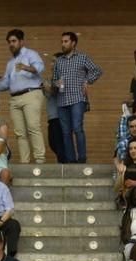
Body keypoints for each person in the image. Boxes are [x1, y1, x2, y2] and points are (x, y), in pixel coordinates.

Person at [51, 31, 102, 164]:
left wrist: (87, 81)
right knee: (66, 132)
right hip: (62, 100)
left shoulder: (83, 57)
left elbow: (97, 71)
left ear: (73, 43)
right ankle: (71, 160)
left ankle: (82, 159)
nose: (63, 44)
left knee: (78, 128)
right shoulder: (59, 61)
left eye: (66, 41)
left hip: (78, 98)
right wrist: (56, 83)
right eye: (62, 41)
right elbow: (54, 80)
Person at [0, 29, 45, 164]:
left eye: (14, 41)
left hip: (31, 94)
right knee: (20, 132)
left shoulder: (31, 54)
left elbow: (40, 68)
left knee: (33, 127)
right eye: (9, 42)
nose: (11, 44)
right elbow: (5, 84)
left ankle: (40, 160)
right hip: (14, 98)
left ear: (22, 42)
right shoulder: (10, 62)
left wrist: (25, 67)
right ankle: (25, 162)